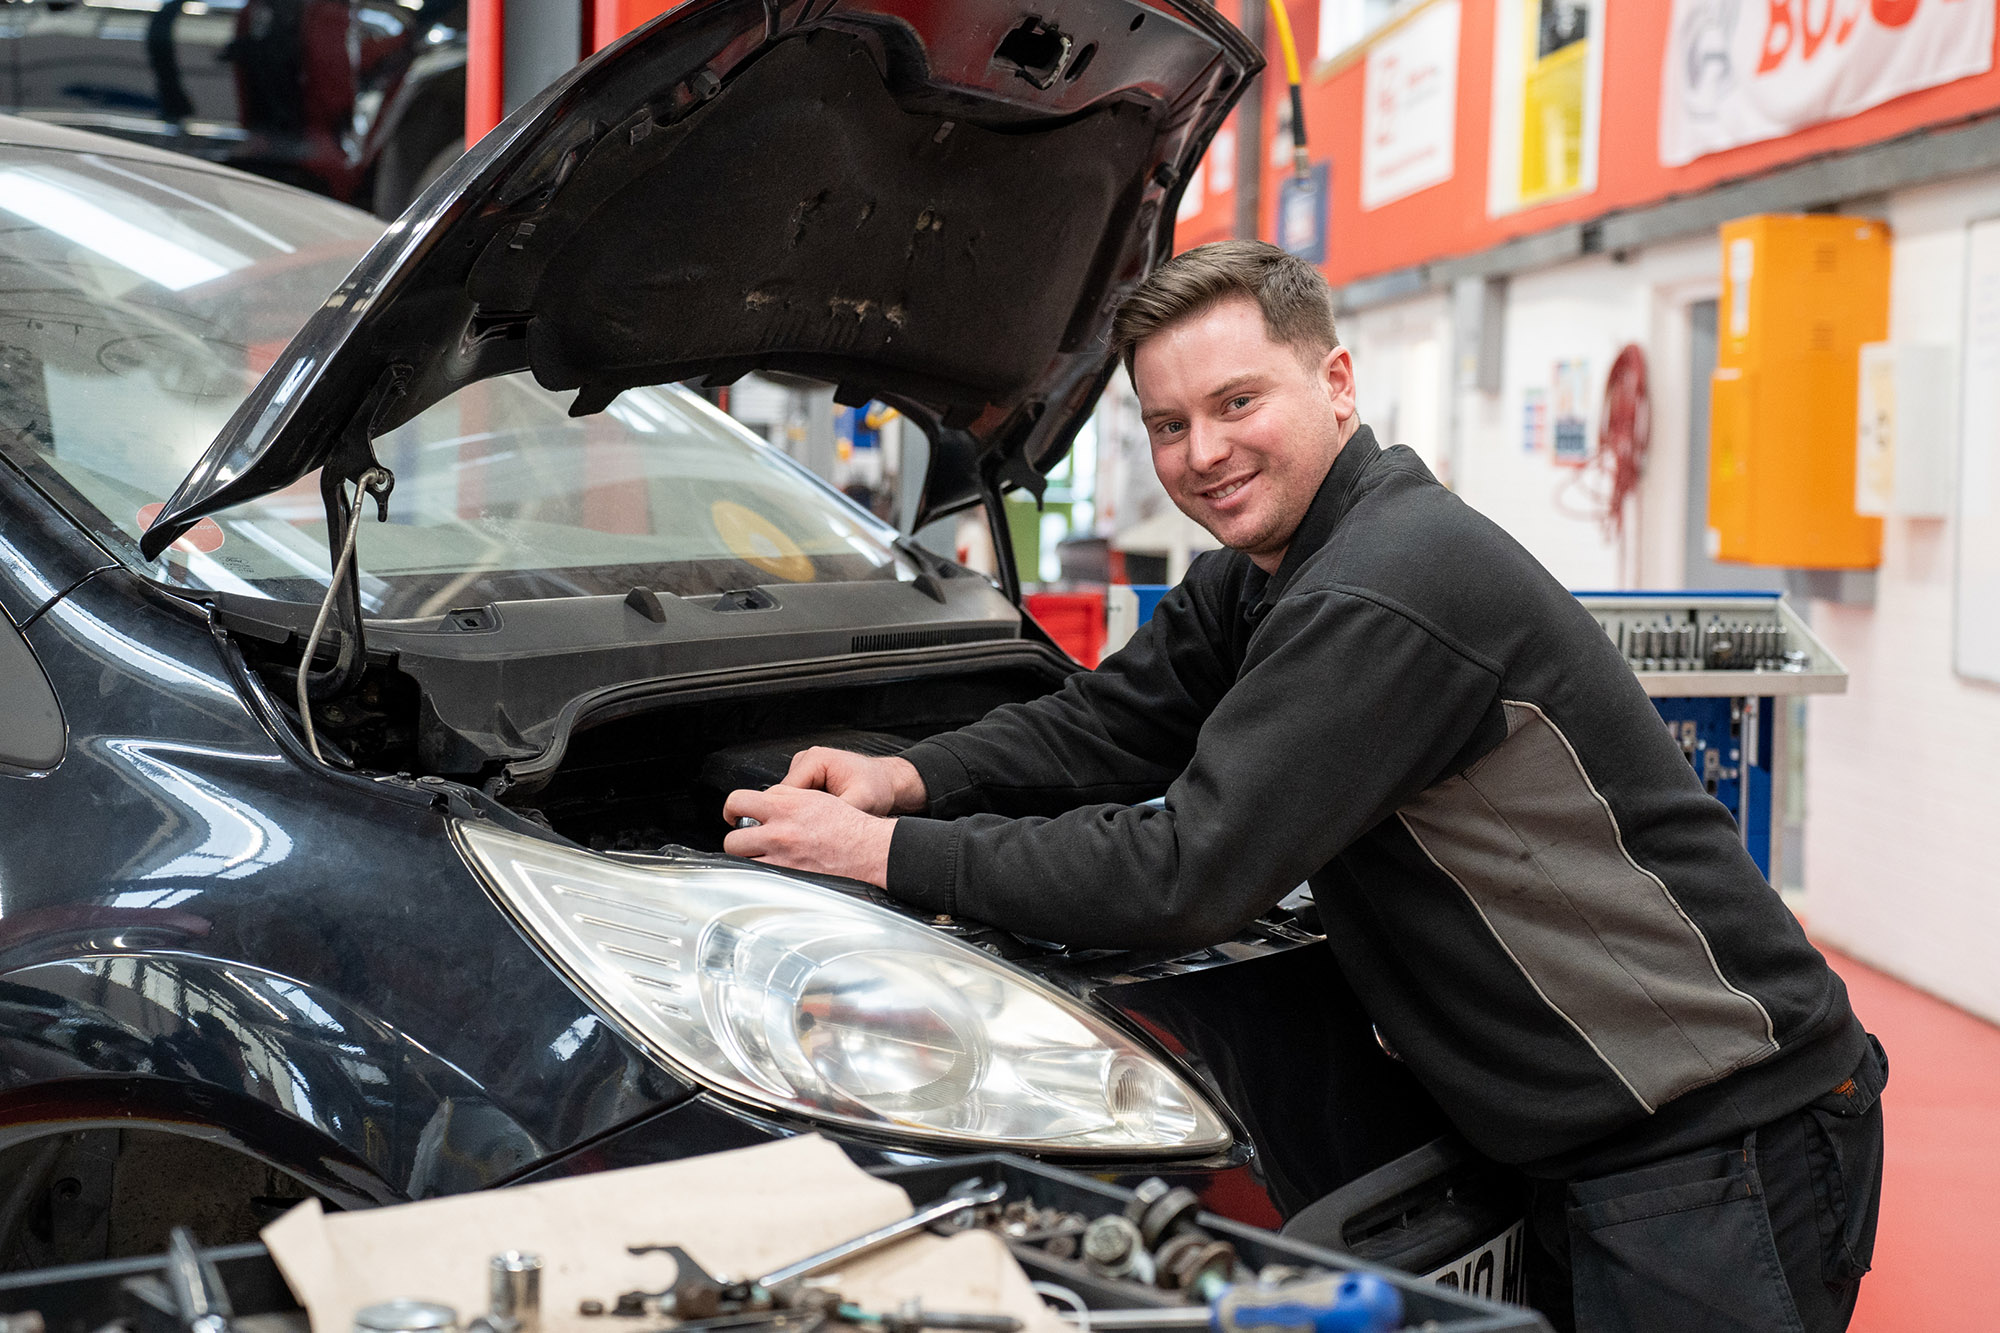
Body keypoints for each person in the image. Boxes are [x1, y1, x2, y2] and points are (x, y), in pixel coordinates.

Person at [720, 240, 1885, 1332]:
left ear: (1334, 379)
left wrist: (880, 856)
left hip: (1712, 1150)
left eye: (1236, 404)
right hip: (1591, 1144)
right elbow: (1114, 720)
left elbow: (1186, 869)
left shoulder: (1381, 588)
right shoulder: (1276, 568)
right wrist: (910, 775)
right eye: (1168, 424)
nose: (1201, 454)